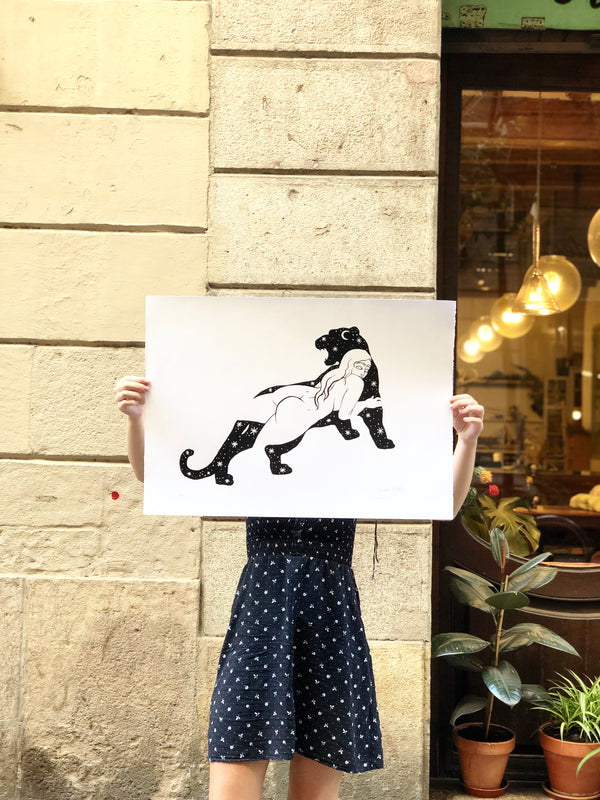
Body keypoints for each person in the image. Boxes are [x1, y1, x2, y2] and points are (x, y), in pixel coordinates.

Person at [114, 375, 484, 800]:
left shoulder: (353, 453)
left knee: (315, 788)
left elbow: (444, 502)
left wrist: (467, 439)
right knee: (235, 754)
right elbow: (155, 476)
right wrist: (136, 419)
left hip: (329, 617)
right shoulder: (265, 444)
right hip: (263, 615)